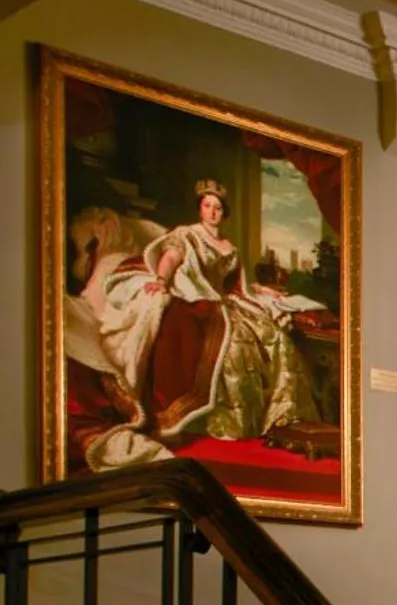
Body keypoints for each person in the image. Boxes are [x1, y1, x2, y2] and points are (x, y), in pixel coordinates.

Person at [88, 179, 312, 457]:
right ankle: (230, 422)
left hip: (224, 300)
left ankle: (278, 418)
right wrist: (161, 280)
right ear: (200, 209)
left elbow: (234, 284)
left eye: (218, 207)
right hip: (197, 297)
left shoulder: (229, 246)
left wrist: (262, 290)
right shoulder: (187, 236)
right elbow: (171, 258)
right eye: (207, 206)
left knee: (273, 335)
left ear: (224, 212)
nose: (212, 212)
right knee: (233, 344)